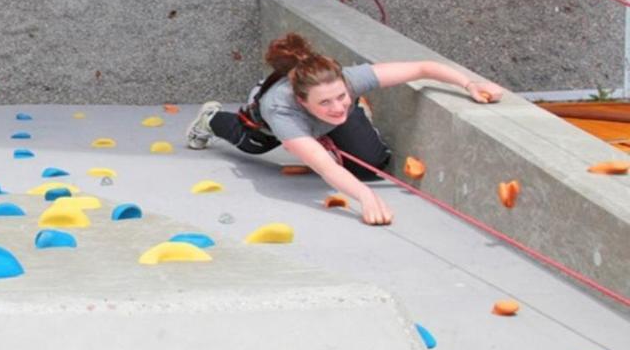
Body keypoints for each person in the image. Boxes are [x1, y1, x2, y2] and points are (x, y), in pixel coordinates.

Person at [185, 33, 505, 226]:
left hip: (324, 124)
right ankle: (211, 119)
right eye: (326, 102)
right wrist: (365, 200)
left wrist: (469, 84)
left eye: (342, 96)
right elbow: (322, 168)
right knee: (250, 145)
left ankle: (345, 123)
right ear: (301, 100)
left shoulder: (347, 82)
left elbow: (422, 67)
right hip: (266, 127)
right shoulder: (280, 110)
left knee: (369, 166)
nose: (337, 105)